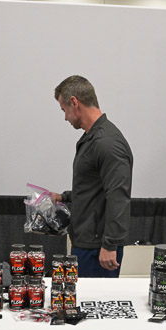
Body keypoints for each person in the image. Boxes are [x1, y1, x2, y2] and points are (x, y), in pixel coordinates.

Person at [52, 75, 133, 277]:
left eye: (64, 110)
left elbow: (118, 195)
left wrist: (110, 244)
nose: (65, 118)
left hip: (99, 249)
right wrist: (64, 197)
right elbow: (93, 187)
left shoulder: (107, 142)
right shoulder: (91, 138)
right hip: (86, 242)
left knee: (93, 298)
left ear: (74, 102)